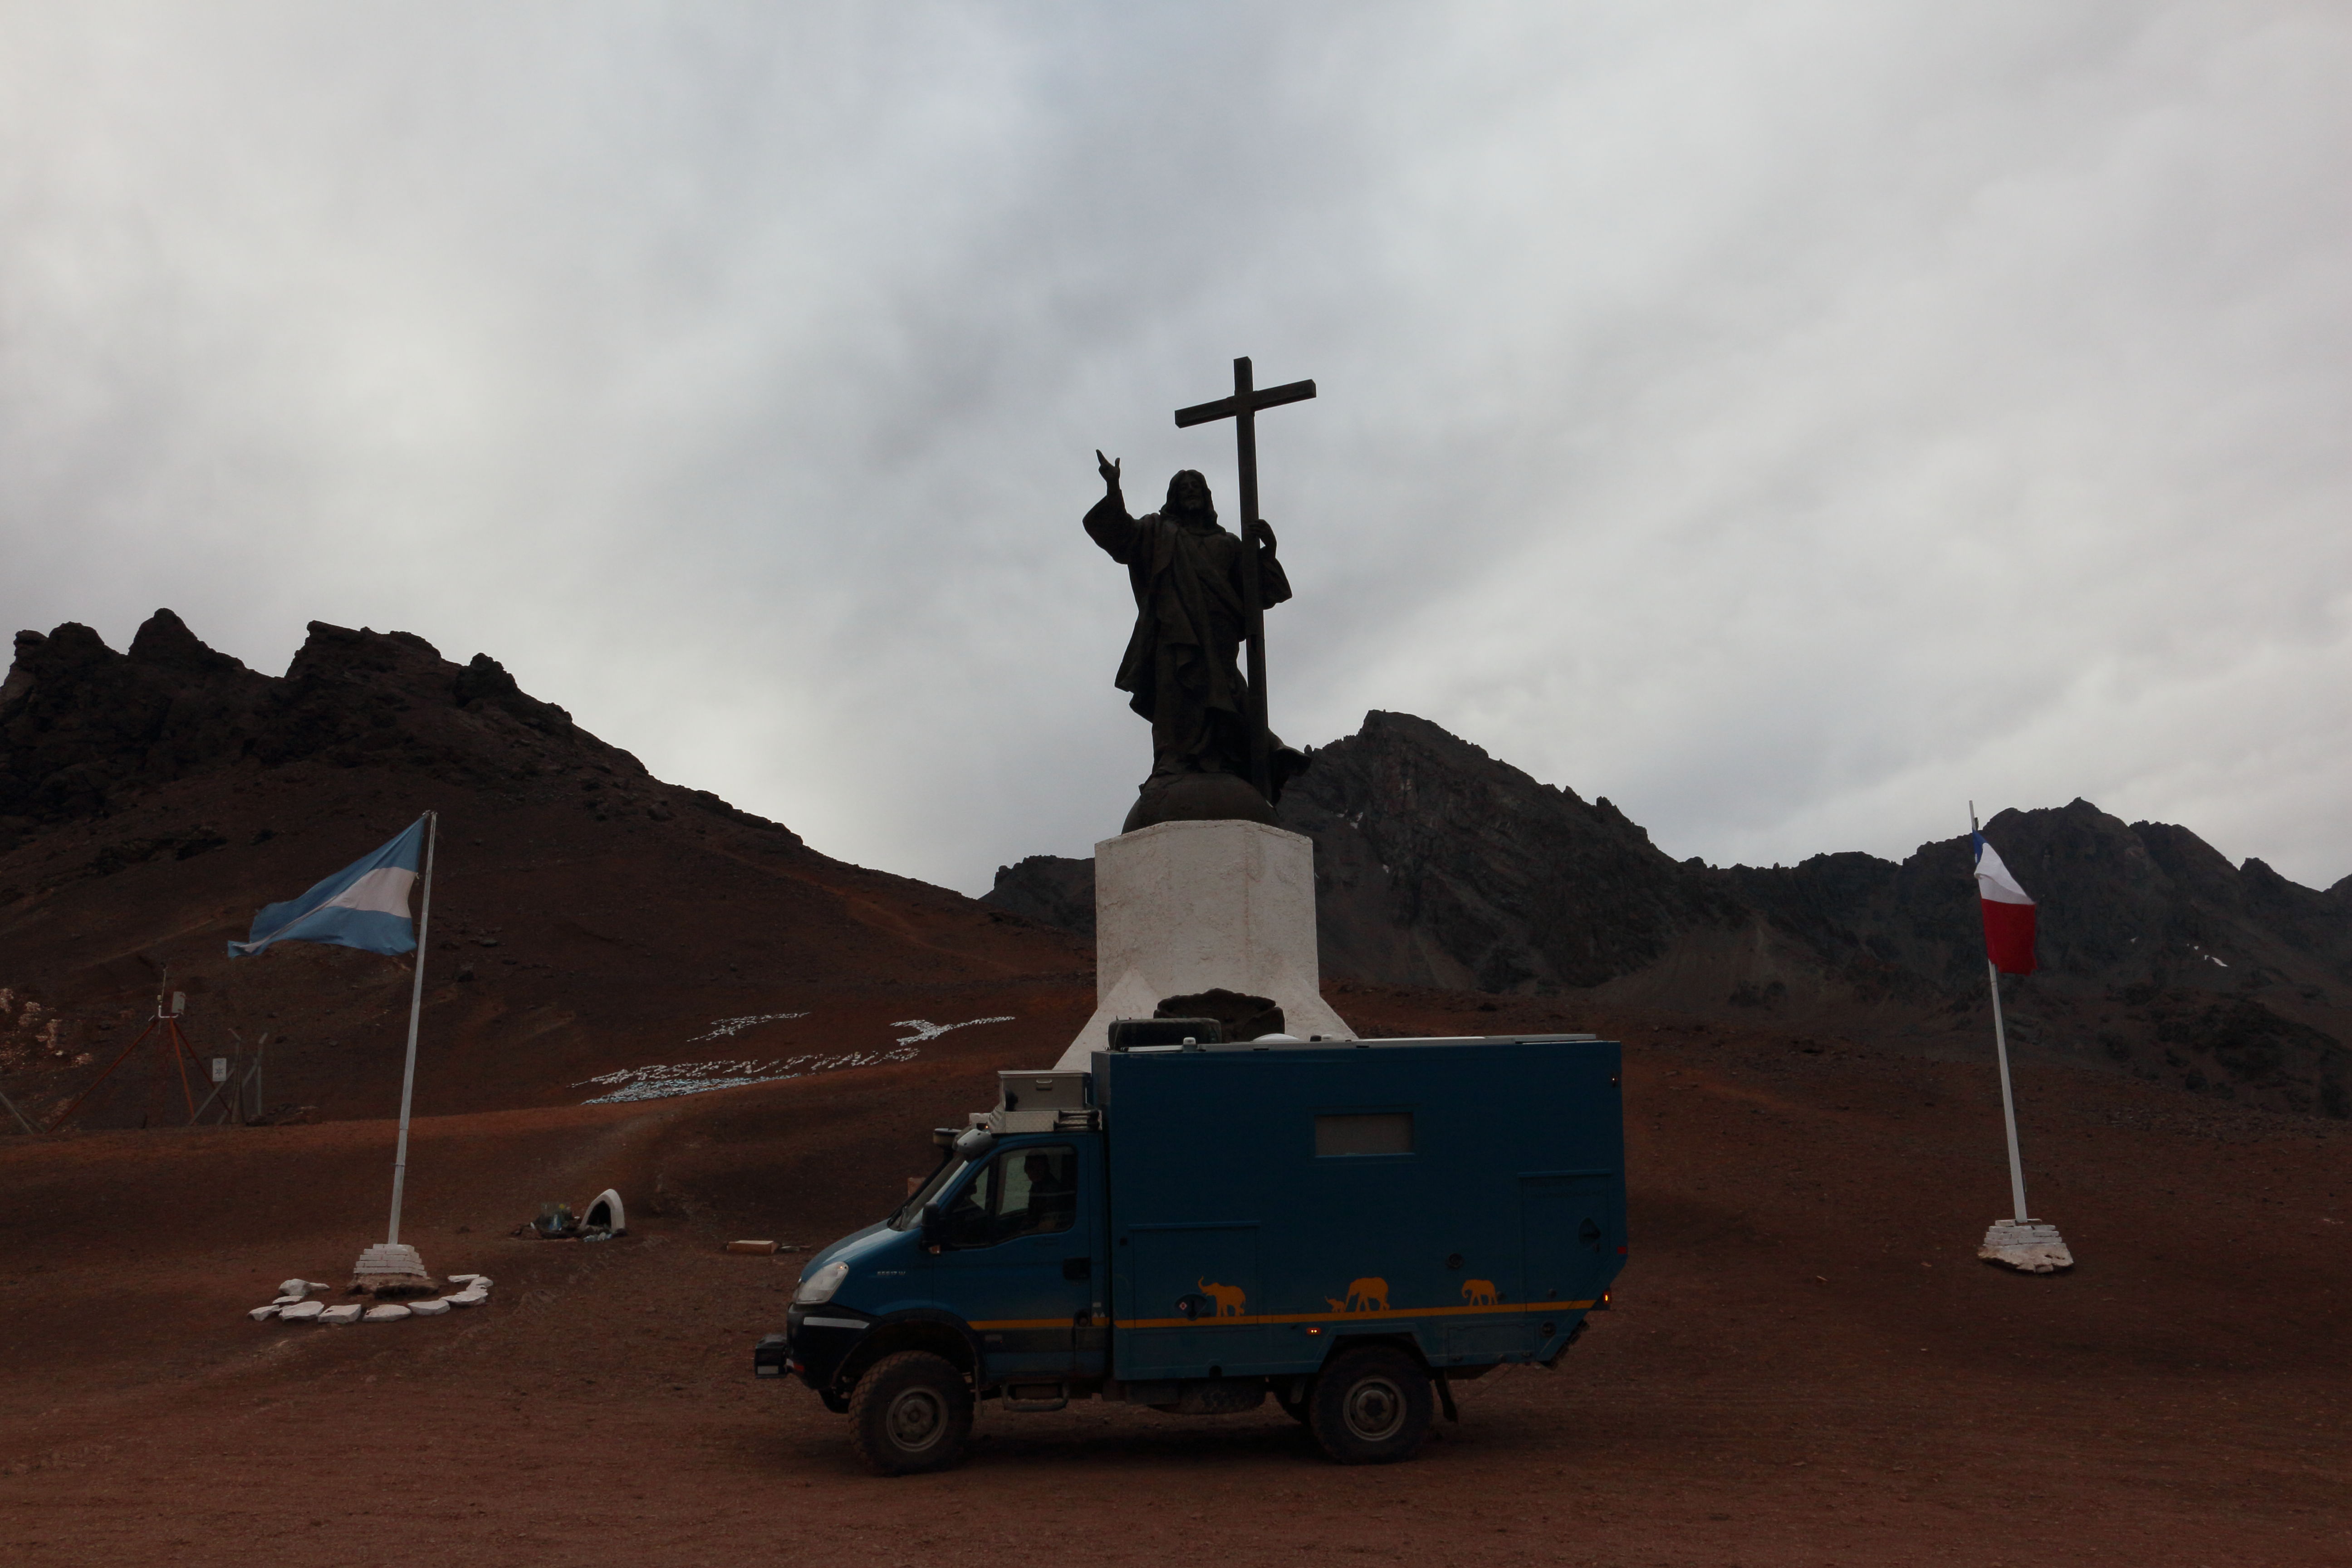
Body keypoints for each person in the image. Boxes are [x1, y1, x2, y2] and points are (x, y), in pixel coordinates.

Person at [1084, 453, 1306, 807]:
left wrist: (1268, 551)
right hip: (1174, 632)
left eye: (1196, 487)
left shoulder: (1229, 544)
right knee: (1174, 695)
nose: (1190, 491)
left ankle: (1233, 761)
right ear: (1174, 497)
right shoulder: (1158, 532)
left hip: (1219, 635)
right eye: (1183, 488)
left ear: (1206, 496)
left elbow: (1259, 595)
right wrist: (1114, 488)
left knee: (1224, 698)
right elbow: (1123, 536)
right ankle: (1172, 764)